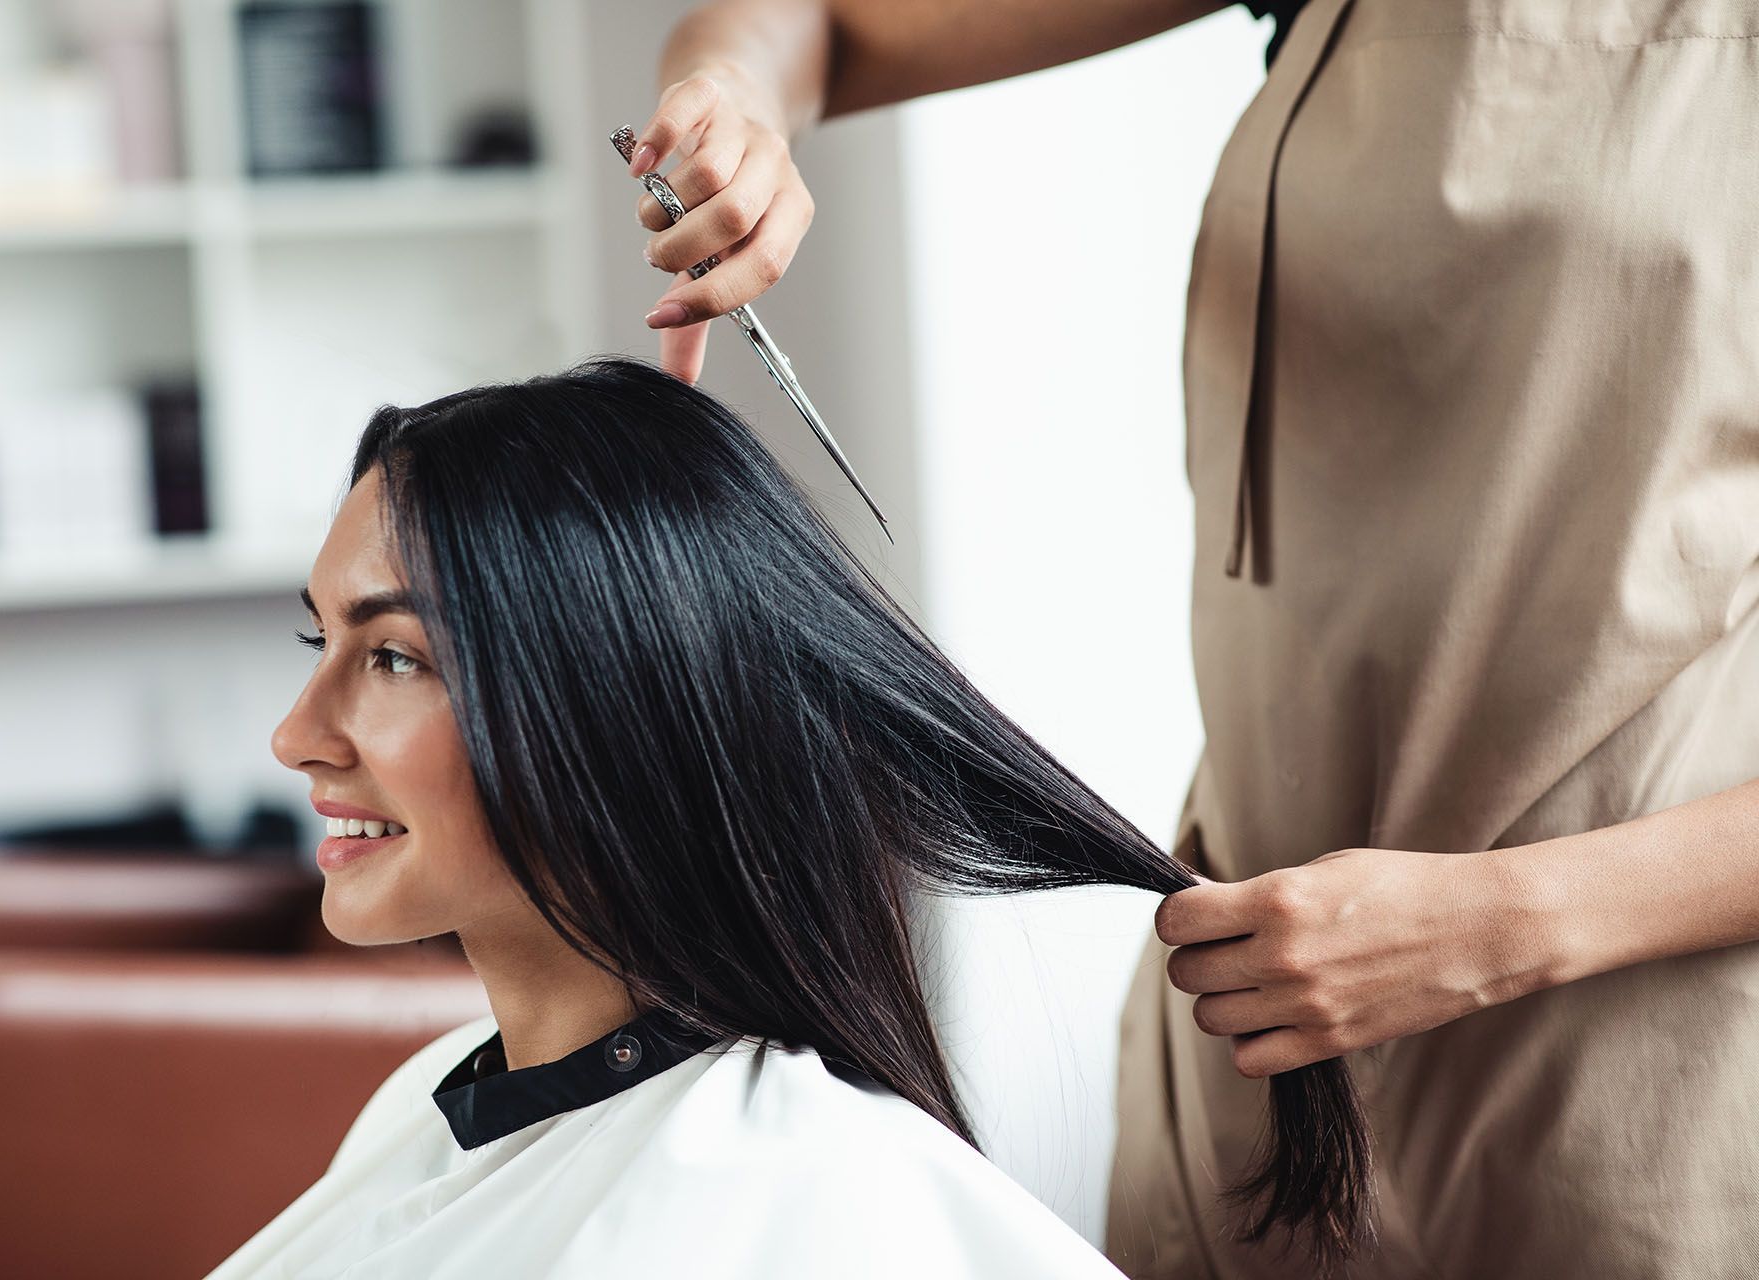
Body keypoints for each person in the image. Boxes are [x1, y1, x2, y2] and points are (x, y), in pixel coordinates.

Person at [628, 2, 1759, 1278]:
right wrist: (736, 104)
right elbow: (811, 20)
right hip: (1258, 1034)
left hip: (1643, 1061)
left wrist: (1489, 925)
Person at [203, 358, 1365, 1279]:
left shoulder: (781, 1180)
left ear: (612, 694)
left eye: (395, 655)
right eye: (324, 641)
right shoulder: (429, 1103)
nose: (298, 731)